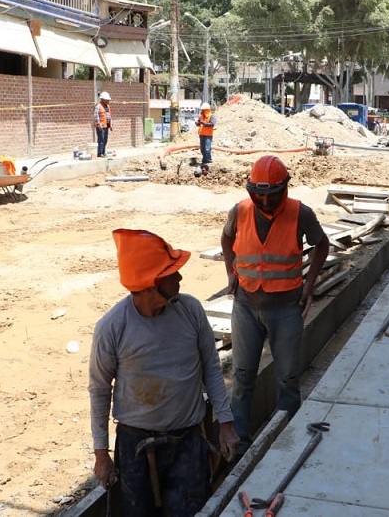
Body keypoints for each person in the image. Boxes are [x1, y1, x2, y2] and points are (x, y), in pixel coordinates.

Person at [88, 229, 239, 516]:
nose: (179, 278)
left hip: (188, 442)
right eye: (171, 274)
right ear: (149, 284)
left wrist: (226, 423)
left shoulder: (191, 311)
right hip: (135, 447)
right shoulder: (113, 327)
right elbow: (99, 389)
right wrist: (101, 453)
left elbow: (211, 367)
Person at [221, 155, 330, 451]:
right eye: (259, 194)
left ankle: (288, 438)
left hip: (285, 309)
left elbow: (322, 244)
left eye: (271, 195)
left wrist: (310, 284)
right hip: (246, 306)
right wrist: (231, 272)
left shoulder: (300, 213)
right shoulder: (240, 211)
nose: (265, 202)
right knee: (242, 378)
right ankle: (241, 443)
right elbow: (226, 239)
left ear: (284, 188)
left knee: (287, 379)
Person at [93, 91, 112, 158]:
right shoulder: (98, 106)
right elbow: (96, 116)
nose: (108, 101)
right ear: (103, 99)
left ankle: (103, 152)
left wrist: (111, 124)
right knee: (101, 140)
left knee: (105, 140)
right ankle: (100, 153)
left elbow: (109, 116)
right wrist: (99, 124)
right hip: (100, 126)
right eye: (107, 100)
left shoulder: (108, 106)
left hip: (106, 125)